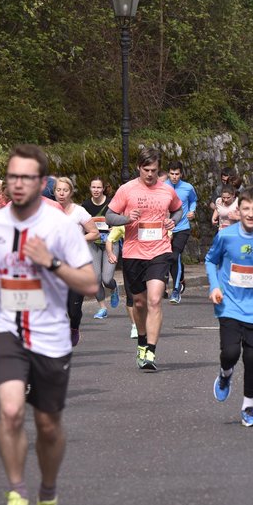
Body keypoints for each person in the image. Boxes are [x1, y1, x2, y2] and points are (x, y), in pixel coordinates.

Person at [0, 144, 97, 505]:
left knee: (47, 424)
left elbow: (91, 284)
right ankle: (17, 495)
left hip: (49, 333)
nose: (18, 184)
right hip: (5, 329)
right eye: (13, 176)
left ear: (41, 181)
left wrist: (52, 261)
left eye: (26, 177)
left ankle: (47, 496)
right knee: (11, 411)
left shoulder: (61, 224)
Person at [205, 187, 253, 427]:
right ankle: (225, 374)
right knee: (230, 353)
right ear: (238, 210)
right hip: (229, 304)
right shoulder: (226, 236)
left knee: (251, 357)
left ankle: (248, 407)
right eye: (246, 208)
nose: (250, 214)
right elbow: (210, 260)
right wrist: (214, 287)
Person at [106, 148, 183, 371]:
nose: (150, 174)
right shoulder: (126, 189)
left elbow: (178, 210)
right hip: (133, 253)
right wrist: (127, 218)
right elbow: (110, 215)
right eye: (146, 170)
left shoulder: (167, 190)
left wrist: (173, 222)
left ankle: (151, 350)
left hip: (159, 251)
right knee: (138, 303)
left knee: (155, 300)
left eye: (154, 170)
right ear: (139, 167)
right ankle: (141, 340)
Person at [55, 177, 99, 347]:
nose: (61, 193)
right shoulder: (49, 211)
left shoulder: (79, 211)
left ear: (71, 192)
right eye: (58, 190)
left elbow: (94, 233)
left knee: (73, 310)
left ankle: (74, 327)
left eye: (65, 190)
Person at [82, 176, 120, 319]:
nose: (96, 190)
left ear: (103, 188)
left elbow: (120, 220)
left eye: (99, 187)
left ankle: (113, 286)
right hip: (93, 244)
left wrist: (115, 228)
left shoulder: (112, 204)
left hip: (111, 243)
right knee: (96, 278)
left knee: (106, 278)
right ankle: (102, 308)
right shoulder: (85, 205)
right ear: (90, 188)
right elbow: (81, 224)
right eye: (93, 187)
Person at [165, 161, 198, 304]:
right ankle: (181, 278)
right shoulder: (162, 187)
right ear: (168, 173)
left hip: (182, 228)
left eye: (177, 174)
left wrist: (192, 211)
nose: (174, 177)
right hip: (165, 229)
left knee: (175, 256)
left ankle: (176, 290)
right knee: (168, 259)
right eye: (172, 174)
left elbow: (193, 201)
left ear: (181, 174)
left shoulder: (188, 187)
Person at [105, 225, 139, 338]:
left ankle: (147, 323)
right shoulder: (124, 222)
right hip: (130, 260)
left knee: (148, 297)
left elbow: (168, 235)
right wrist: (110, 253)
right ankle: (134, 326)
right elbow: (110, 239)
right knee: (131, 296)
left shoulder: (152, 219)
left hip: (150, 261)